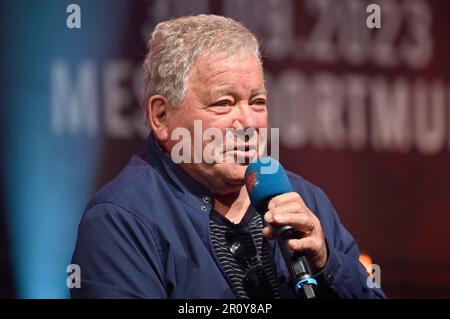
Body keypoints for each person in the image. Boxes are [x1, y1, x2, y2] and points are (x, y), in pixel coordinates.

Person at [71, 14, 386, 299]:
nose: (249, 123)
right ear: (162, 116)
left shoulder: (305, 201)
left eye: (257, 101)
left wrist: (328, 264)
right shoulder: (121, 219)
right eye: (223, 103)